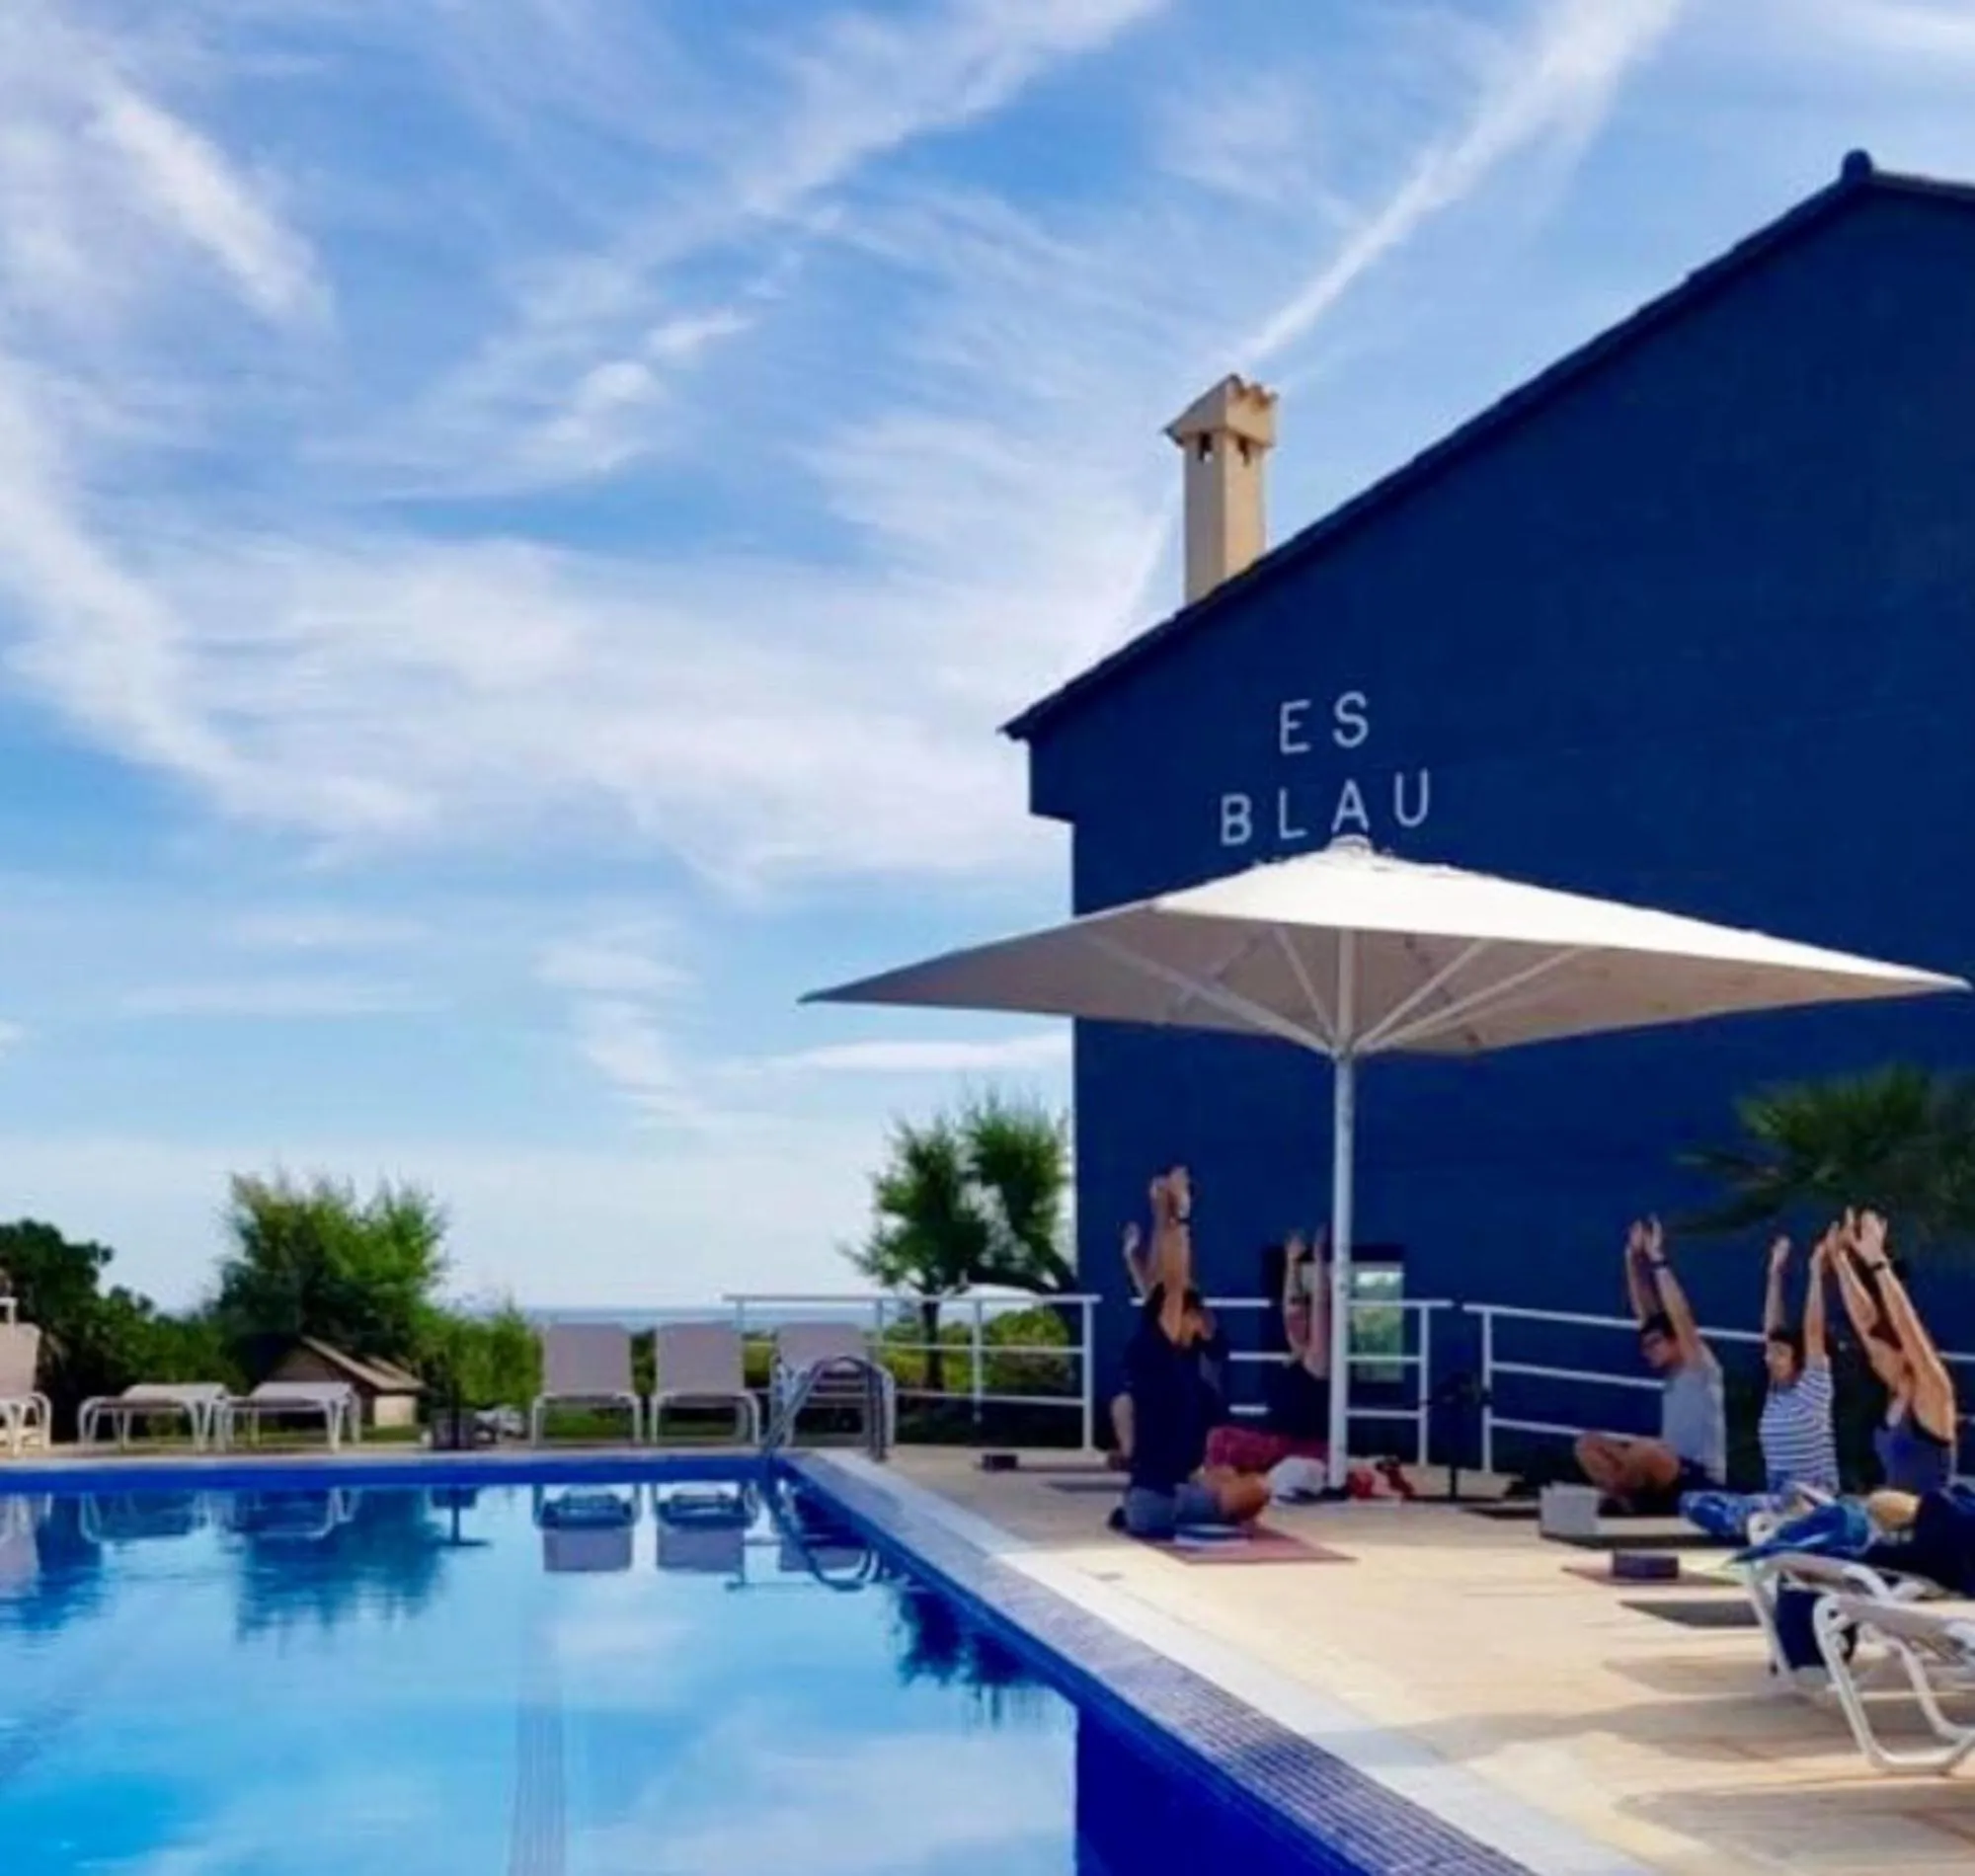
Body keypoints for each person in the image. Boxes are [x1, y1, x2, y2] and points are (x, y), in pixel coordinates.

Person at [1120, 1165, 1269, 1539]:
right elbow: (1171, 1282)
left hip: (1158, 1493)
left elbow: (1163, 1284)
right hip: (1159, 1501)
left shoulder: (1178, 1356)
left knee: (1230, 1478)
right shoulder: (1165, 1354)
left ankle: (1205, 1502)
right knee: (1257, 1489)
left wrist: (1162, 1212)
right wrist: (1179, 1212)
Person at [1573, 1218, 1725, 1513]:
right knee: (1588, 1444)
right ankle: (1626, 1498)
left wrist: (1658, 1260)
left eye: (1655, 1344)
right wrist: (1631, 1258)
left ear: (1676, 1341)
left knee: (1647, 1450)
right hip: (1664, 1467)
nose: (1648, 1352)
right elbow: (1646, 1314)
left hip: (1697, 1475)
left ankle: (1623, 1500)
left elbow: (1679, 1315)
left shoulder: (1700, 1367)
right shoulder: (1671, 1373)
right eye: (1646, 1347)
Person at [1831, 1208, 1957, 1494]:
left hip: (1929, 1517)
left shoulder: (1933, 1393)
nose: (1874, 1361)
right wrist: (1840, 1261)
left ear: (1902, 1352)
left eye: (1881, 1354)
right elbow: (1865, 1324)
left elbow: (1908, 1328)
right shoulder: (1895, 1393)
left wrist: (1878, 1263)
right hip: (1894, 1513)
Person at [1205, 1229, 1331, 1475]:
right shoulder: (1296, 1355)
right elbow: (1291, 1308)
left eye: (1304, 1318)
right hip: (1279, 1445)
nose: (1294, 1319)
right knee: (1219, 1438)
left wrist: (1318, 1259)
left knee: (1220, 1440)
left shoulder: (1316, 1360)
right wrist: (1292, 1263)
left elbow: (1320, 1306)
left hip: (1302, 1449)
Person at [1758, 1228, 1840, 1498]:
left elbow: (1813, 1331)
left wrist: (1816, 1273)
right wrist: (1774, 1273)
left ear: (1799, 1359)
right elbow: (1772, 1329)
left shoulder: (1813, 1389)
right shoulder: (1776, 1392)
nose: (1769, 1358)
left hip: (1815, 1498)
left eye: (1779, 1354)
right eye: (1769, 1353)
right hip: (1779, 1497)